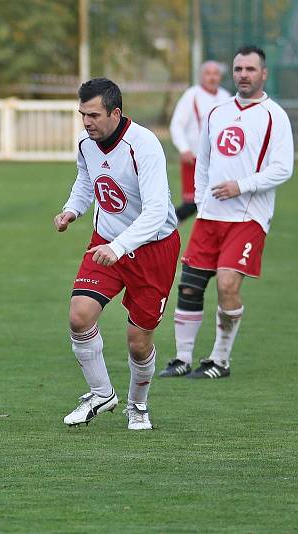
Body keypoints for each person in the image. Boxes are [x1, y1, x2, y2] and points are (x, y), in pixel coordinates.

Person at [54, 78, 179, 431]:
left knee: (138, 344)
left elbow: (156, 211)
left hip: (153, 248)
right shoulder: (86, 142)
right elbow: (85, 178)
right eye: (82, 114)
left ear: (116, 112)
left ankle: (137, 406)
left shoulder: (145, 146)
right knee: (80, 316)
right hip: (106, 240)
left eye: (93, 114)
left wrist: (120, 246)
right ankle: (101, 392)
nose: (86, 122)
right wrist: (72, 210)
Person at [162, 45, 293, 379]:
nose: (243, 75)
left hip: (248, 217)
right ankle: (182, 359)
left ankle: (219, 361)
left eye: (250, 69)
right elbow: (204, 162)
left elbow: (283, 169)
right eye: (239, 69)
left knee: (227, 284)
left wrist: (242, 185)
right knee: (190, 284)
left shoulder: (274, 115)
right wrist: (204, 200)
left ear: (263, 73)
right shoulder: (217, 113)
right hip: (210, 215)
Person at [169, 61, 231, 222]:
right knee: (192, 203)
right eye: (208, 73)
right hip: (195, 158)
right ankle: (164, 227)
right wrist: (184, 148)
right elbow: (177, 124)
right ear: (201, 76)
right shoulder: (192, 95)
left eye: (215, 73)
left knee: (218, 201)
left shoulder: (226, 97)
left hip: (219, 159)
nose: (212, 77)